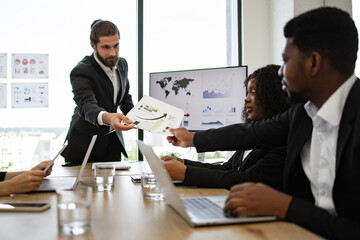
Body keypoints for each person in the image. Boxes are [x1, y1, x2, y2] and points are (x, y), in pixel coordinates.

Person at [167, 7, 359, 239]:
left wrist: (285, 206)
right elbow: (250, 133)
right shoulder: (304, 113)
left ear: (314, 63)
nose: (280, 73)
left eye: (286, 61)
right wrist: (192, 138)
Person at [162, 64, 289, 190]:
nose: (246, 99)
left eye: (254, 92)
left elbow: (248, 179)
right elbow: (228, 168)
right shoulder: (252, 133)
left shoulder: (282, 139)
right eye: (247, 92)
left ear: (273, 96)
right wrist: (183, 164)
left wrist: (185, 173)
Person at [62, 19, 135, 164]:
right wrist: (109, 118)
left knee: (116, 185)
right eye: (105, 47)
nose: (113, 53)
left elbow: (125, 99)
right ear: (93, 46)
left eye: (116, 46)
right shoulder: (81, 71)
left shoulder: (122, 64)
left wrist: (146, 118)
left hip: (113, 142)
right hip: (85, 144)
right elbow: (87, 106)